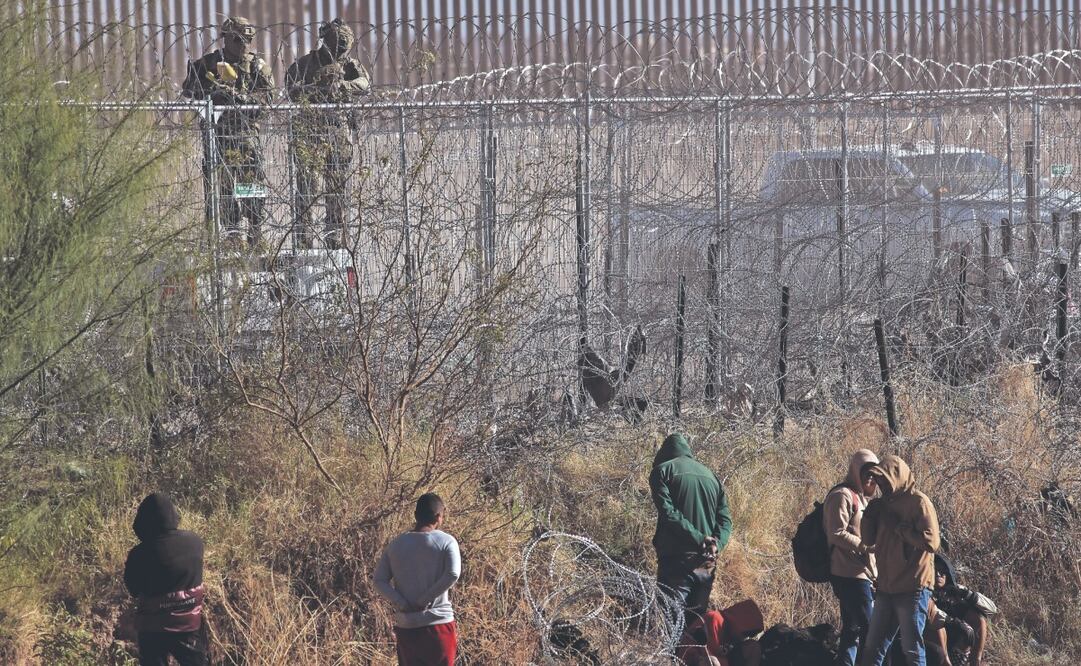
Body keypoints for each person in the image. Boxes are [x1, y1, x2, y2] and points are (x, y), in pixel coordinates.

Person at [182, 16, 274, 249]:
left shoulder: (256, 65)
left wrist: (242, 99)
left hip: (246, 133)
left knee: (250, 183)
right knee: (223, 185)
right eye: (238, 39)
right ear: (226, 38)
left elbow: (268, 98)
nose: (243, 44)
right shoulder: (209, 63)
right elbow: (190, 90)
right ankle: (233, 234)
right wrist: (213, 93)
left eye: (247, 39)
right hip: (218, 134)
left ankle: (255, 230)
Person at [286, 18, 371, 250]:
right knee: (307, 187)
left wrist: (343, 86)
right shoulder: (306, 64)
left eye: (344, 48)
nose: (340, 52)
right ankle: (304, 238)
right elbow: (291, 89)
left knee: (337, 189)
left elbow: (365, 84)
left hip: (338, 131)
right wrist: (317, 88)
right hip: (311, 133)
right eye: (337, 47)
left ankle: (334, 238)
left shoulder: (349, 65)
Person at [859, 455, 941, 666]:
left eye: (885, 479)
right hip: (886, 586)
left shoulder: (918, 502)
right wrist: (868, 517)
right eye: (879, 480)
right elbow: (868, 541)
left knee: (912, 649)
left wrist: (901, 529)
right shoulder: (882, 505)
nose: (881, 485)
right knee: (872, 646)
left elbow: (932, 542)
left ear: (897, 476)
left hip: (913, 586)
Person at [650, 433, 733, 616]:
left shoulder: (662, 471)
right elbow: (726, 521)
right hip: (707, 563)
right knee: (696, 627)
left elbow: (668, 513)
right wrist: (716, 544)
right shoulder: (711, 476)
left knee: (671, 624)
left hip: (676, 561)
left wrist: (699, 538)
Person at [374, 493, 461, 666]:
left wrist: (402, 603)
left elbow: (379, 580)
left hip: (408, 626)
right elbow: (452, 573)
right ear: (439, 517)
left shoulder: (396, 544)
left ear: (415, 516)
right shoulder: (446, 541)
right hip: (438, 625)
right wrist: (424, 600)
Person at [123, 493, 206, 666]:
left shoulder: (139, 554)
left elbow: (133, 590)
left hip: (153, 629)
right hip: (188, 625)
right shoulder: (195, 542)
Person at [824, 449, 880, 666]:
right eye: (865, 471)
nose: (869, 477)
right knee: (871, 628)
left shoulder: (861, 498)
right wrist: (867, 547)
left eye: (873, 472)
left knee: (852, 629)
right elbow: (836, 533)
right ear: (855, 470)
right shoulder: (842, 495)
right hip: (847, 573)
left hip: (861, 573)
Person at [677, 599, 764, 666]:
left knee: (753, 647)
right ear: (740, 624)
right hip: (690, 657)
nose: (744, 638)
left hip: (709, 658)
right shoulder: (716, 619)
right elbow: (708, 655)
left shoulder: (729, 632)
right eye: (745, 634)